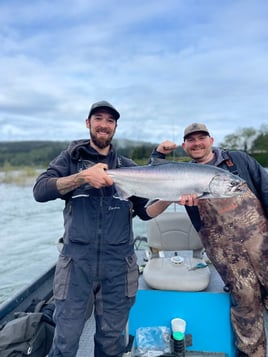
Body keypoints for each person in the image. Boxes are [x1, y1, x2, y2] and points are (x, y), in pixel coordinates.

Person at [33, 100, 173, 357]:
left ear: (115, 127)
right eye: (98, 118)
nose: (104, 125)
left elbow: (145, 212)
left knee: (111, 341)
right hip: (76, 263)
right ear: (88, 123)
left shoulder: (128, 167)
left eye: (110, 121)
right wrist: (82, 177)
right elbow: (40, 191)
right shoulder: (70, 160)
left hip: (118, 265)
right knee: (65, 339)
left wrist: (170, 196)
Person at [151, 123, 268, 357]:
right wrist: (157, 154)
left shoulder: (238, 160)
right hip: (226, 253)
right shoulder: (181, 176)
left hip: (262, 243)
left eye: (201, 138)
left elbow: (265, 189)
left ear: (211, 140)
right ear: (185, 146)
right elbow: (155, 176)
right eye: (190, 140)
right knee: (246, 304)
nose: (197, 143)